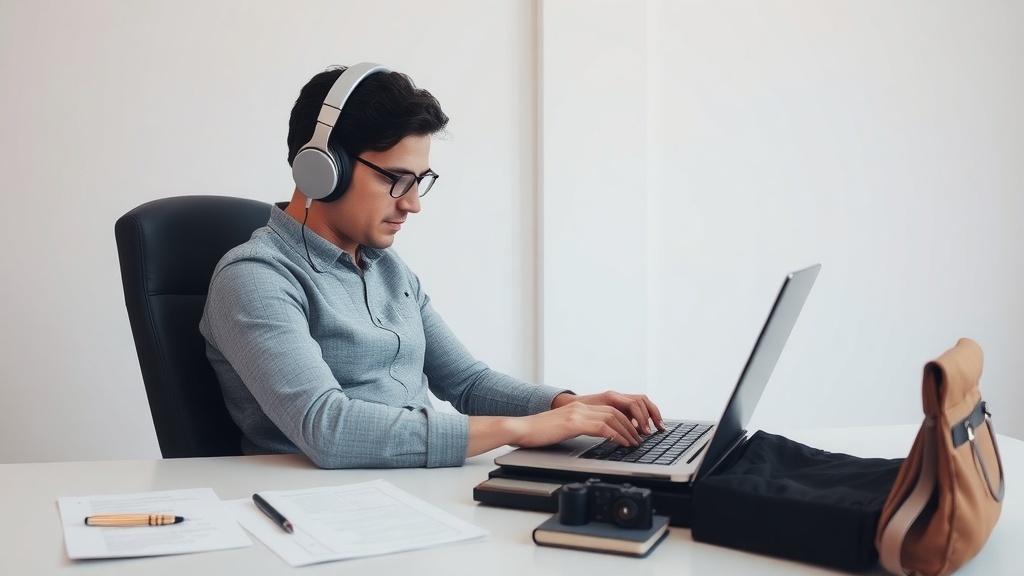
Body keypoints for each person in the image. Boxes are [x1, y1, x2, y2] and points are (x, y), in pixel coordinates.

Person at [199, 64, 664, 469]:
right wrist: (519, 429)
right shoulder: (255, 278)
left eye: (420, 182)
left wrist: (567, 405)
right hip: (317, 510)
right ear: (322, 168)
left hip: (411, 490)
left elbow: (466, 381)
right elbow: (328, 429)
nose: (414, 204)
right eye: (397, 180)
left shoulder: (387, 269)